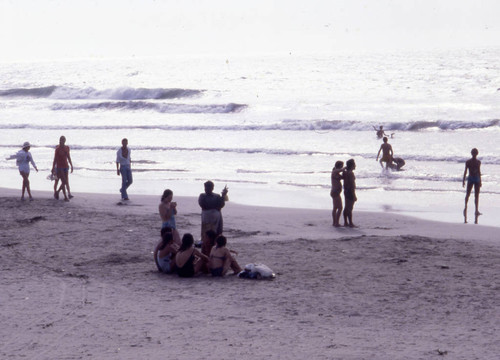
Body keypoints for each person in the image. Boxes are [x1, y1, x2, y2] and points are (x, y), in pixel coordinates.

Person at [198, 181, 228, 253]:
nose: (206, 189)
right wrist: (215, 207)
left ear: (212, 188)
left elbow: (221, 205)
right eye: (205, 188)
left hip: (215, 220)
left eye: (208, 188)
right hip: (207, 220)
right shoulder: (202, 196)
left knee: (215, 235)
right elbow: (203, 205)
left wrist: (223, 195)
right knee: (206, 236)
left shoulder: (217, 196)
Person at [51, 135, 74, 201]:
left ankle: (58, 192)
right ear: (60, 140)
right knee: (63, 181)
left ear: (65, 141)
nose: (62, 141)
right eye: (61, 140)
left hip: (66, 166)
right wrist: (53, 168)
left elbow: (68, 157)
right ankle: (64, 196)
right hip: (59, 167)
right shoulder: (57, 149)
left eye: (63, 140)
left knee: (66, 181)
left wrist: (71, 165)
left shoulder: (67, 148)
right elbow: (55, 159)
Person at [462, 148, 482, 224]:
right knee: (470, 195)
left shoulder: (476, 162)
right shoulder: (470, 162)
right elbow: (465, 171)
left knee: (473, 195)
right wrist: (463, 180)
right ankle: (469, 208)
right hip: (473, 179)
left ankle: (472, 209)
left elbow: (479, 171)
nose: (474, 155)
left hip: (474, 179)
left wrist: (463, 180)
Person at [343, 159, 357, 227]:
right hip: (350, 191)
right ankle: (350, 223)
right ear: (352, 165)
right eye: (354, 164)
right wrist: (354, 195)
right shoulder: (350, 173)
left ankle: (346, 222)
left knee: (346, 207)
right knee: (350, 208)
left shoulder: (345, 172)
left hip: (346, 191)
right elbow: (351, 184)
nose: (355, 166)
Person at [330, 160, 345, 227]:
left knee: (336, 207)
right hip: (335, 192)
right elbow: (339, 170)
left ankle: (335, 222)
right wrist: (345, 168)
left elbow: (343, 177)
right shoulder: (334, 171)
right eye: (342, 165)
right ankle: (336, 222)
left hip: (336, 192)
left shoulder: (337, 174)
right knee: (340, 208)